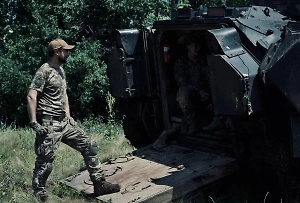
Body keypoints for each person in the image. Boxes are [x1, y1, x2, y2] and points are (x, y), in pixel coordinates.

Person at [27, 39, 120, 201]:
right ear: (57, 52)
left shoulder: (61, 70)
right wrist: (34, 122)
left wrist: (68, 116)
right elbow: (31, 95)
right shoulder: (44, 70)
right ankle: (39, 193)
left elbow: (64, 94)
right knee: (45, 160)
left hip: (64, 122)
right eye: (65, 50)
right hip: (49, 123)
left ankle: (99, 184)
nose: (68, 53)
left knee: (89, 145)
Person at [174, 35, 211, 135]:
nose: (197, 48)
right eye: (194, 45)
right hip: (190, 93)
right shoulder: (181, 62)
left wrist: (206, 91)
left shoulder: (203, 61)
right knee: (182, 93)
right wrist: (198, 92)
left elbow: (209, 78)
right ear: (188, 46)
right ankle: (192, 124)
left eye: (198, 45)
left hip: (204, 92)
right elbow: (182, 82)